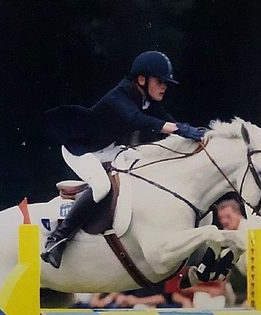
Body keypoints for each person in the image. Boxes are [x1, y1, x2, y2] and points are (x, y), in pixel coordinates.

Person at [42, 51, 205, 268]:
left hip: (107, 148)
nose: (164, 86)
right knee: (101, 186)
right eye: (160, 81)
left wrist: (194, 133)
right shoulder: (118, 97)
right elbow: (138, 120)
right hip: (80, 149)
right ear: (141, 79)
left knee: (142, 161)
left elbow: (167, 121)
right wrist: (179, 129)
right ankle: (58, 239)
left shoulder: (146, 100)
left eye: (165, 82)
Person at [216, 198, 261, 305]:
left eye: (228, 217)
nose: (224, 221)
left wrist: (251, 300)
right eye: (221, 218)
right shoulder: (229, 234)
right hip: (253, 282)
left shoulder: (250, 229)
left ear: (238, 214)